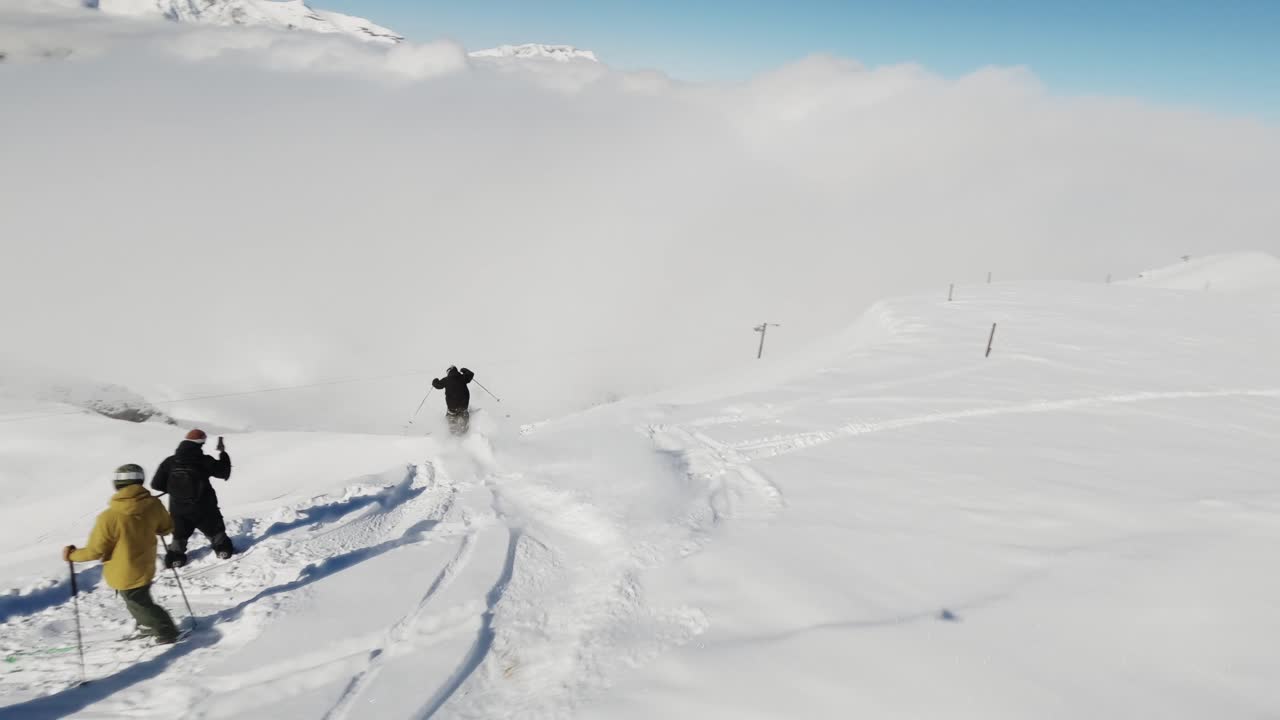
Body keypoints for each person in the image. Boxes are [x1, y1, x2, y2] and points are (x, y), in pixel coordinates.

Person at [64, 464, 181, 644]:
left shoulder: (109, 517)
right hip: (146, 564)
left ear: (117, 485)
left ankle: (166, 631)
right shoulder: (153, 505)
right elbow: (166, 528)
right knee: (138, 599)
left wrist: (72, 555)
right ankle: (147, 626)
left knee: (139, 603)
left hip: (123, 570)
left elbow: (95, 551)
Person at [152, 429, 234, 567]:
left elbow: (156, 484)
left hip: (179, 510)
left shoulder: (170, 462)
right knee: (216, 533)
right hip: (205, 508)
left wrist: (174, 490)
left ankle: (175, 559)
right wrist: (223, 453)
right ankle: (223, 550)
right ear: (201, 444)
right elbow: (224, 472)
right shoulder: (204, 461)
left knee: (179, 537)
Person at [431, 365, 474, 434]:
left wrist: (435, 380)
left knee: (450, 418)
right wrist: (464, 370)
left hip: (452, 407)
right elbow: (471, 374)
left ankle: (452, 433)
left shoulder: (446, 380)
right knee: (464, 416)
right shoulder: (463, 377)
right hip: (464, 406)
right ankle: (466, 432)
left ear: (448, 372)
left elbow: (437, 385)